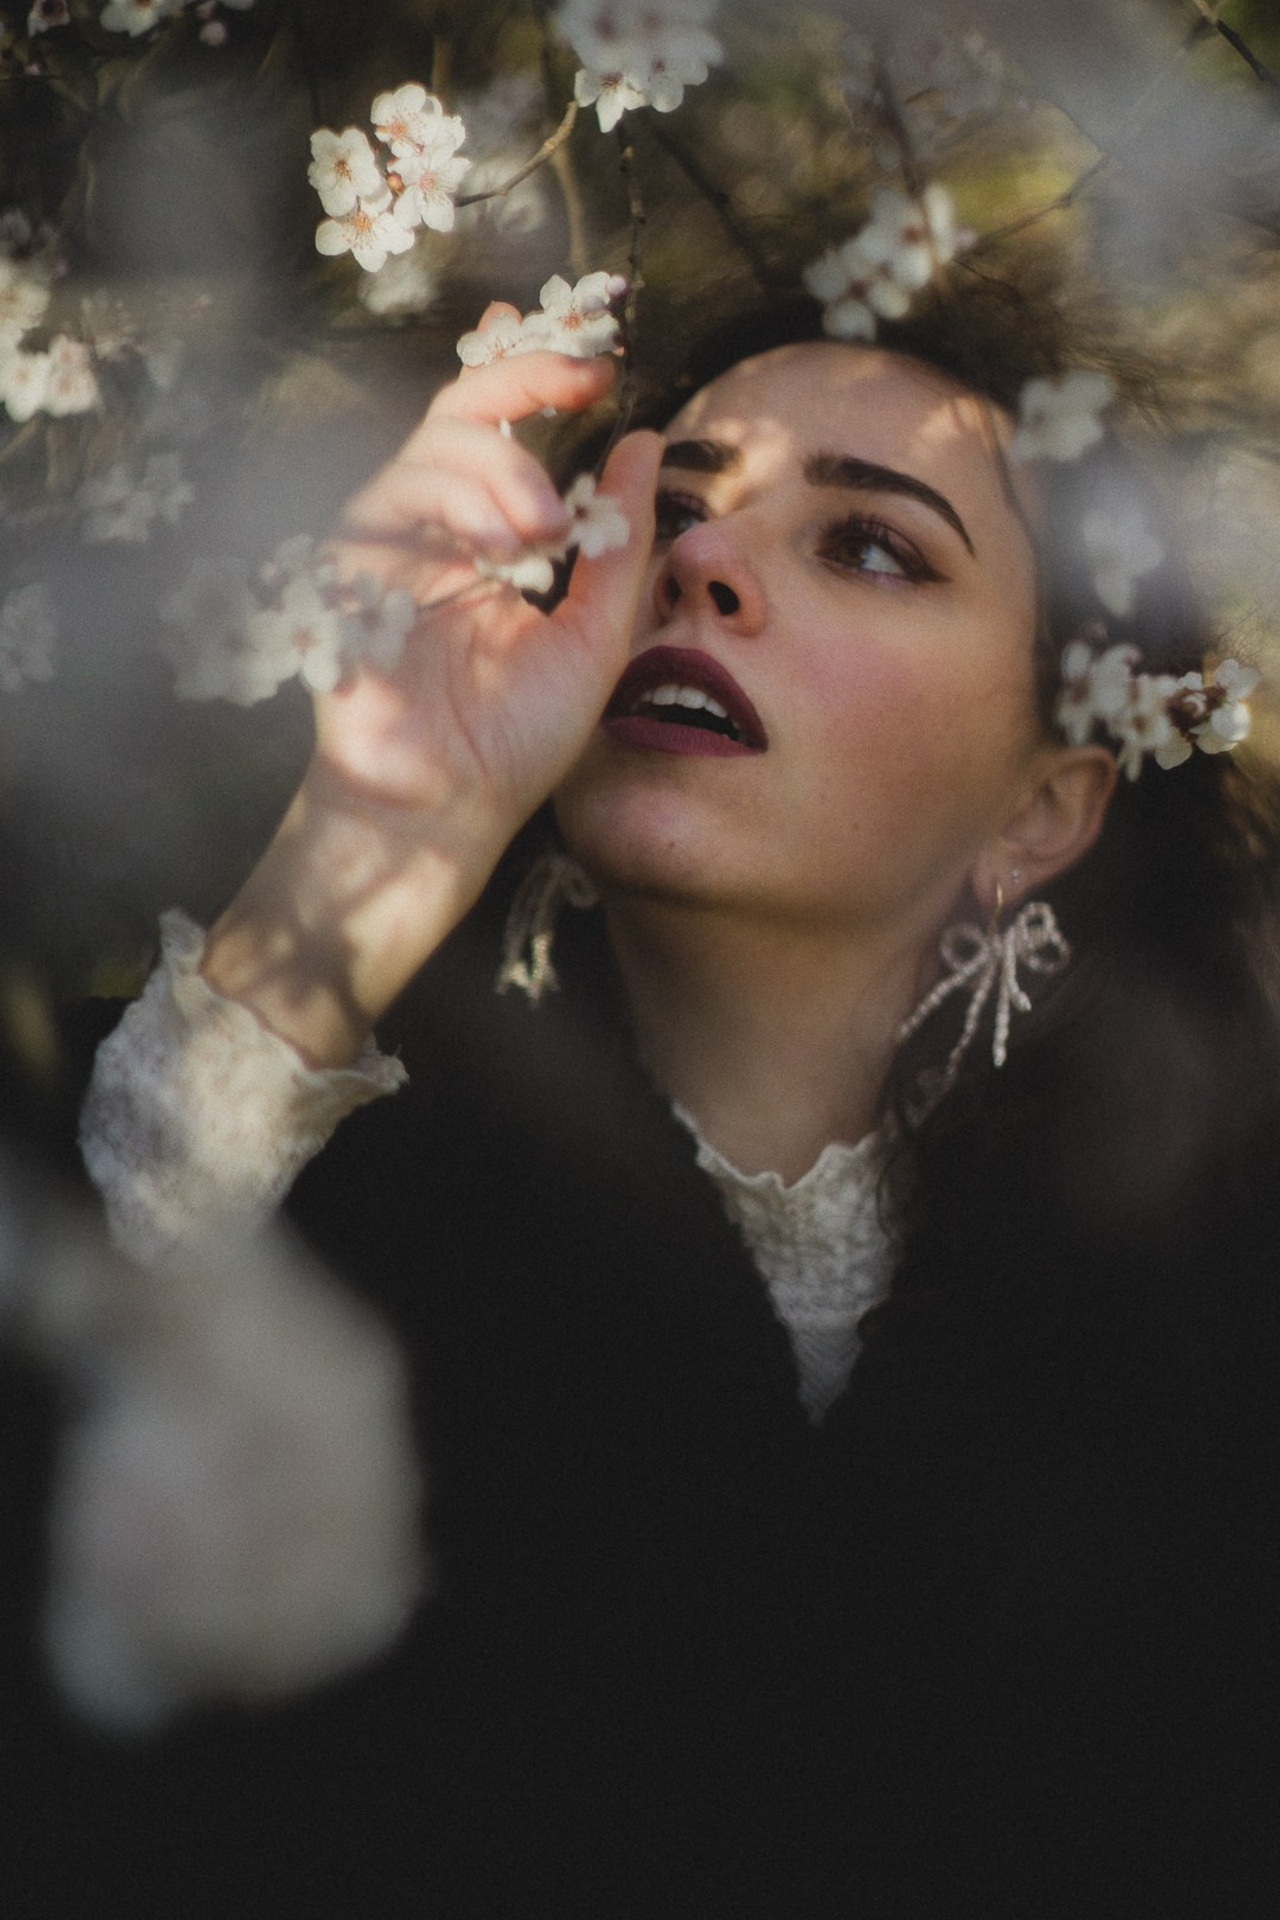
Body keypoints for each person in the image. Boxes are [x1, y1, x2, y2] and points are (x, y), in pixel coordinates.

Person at [77, 286, 1280, 1915]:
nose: (703, 567)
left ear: (1046, 805)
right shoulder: (304, 1154)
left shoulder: (1204, 1297)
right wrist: (373, 825)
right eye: (681, 506)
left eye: (870, 548)